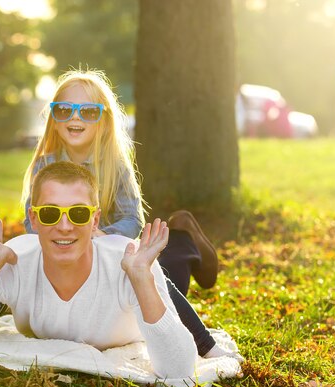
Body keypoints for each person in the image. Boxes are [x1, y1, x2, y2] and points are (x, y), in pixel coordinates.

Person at [20, 69, 235, 359]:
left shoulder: (113, 163)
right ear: (54, 118)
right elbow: (30, 221)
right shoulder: (43, 166)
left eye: (87, 112)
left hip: (111, 252)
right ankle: (184, 241)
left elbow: (132, 218)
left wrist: (102, 236)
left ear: (103, 119)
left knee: (159, 284)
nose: (75, 118)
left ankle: (204, 342)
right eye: (64, 110)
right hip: (71, 255)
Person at [0, 161, 197, 379]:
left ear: (95, 218)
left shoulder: (132, 262)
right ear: (33, 219)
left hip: (133, 269)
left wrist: (142, 278)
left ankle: (186, 238)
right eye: (50, 213)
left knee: (178, 267)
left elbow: (180, 369)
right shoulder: (14, 260)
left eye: (78, 213)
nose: (64, 226)